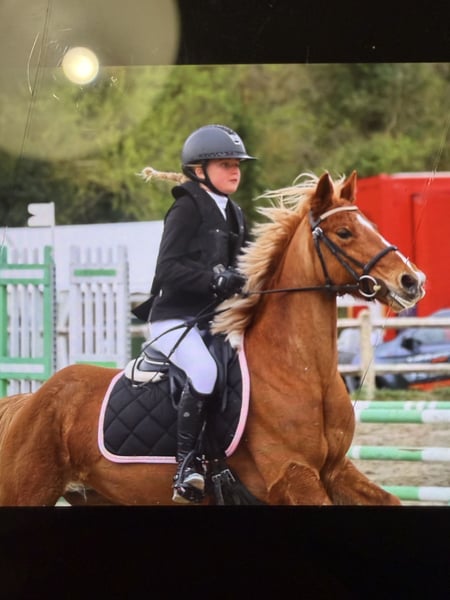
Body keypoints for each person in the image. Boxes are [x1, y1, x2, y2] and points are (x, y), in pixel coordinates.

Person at [146, 124, 256, 503]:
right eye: (225, 164)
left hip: (213, 322)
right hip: (173, 319)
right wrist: (214, 279)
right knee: (205, 371)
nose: (235, 171)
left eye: (237, 164)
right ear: (199, 170)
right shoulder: (186, 208)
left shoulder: (235, 213)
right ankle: (185, 468)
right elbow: (167, 269)